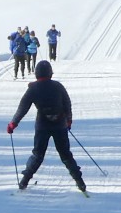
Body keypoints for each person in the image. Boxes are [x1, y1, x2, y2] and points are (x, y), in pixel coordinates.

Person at [5, 59, 86, 193]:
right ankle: (80, 183)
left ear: (36, 73)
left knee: (38, 155)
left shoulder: (33, 89)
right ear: (50, 73)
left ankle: (24, 181)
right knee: (65, 155)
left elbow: (23, 108)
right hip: (60, 125)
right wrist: (68, 120)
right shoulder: (58, 86)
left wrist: (13, 123)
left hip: (42, 126)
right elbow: (67, 104)